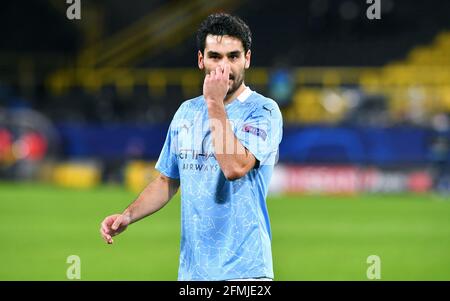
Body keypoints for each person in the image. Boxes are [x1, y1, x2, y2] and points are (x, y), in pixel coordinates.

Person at [100, 13, 283, 281]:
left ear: (247, 59)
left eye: (233, 56)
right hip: (193, 274)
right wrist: (128, 215)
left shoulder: (263, 111)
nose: (224, 67)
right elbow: (167, 179)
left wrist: (214, 103)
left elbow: (235, 167)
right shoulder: (186, 112)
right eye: (215, 56)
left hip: (245, 272)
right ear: (201, 60)